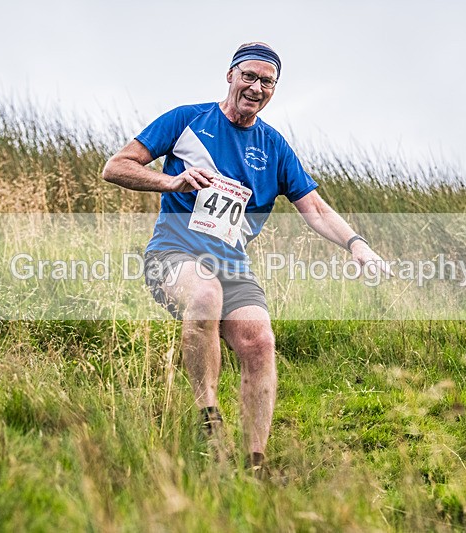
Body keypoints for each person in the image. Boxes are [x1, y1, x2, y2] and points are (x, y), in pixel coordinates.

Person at [102, 42, 387, 472]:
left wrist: (357, 244)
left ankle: (255, 462)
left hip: (232, 264)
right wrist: (171, 182)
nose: (256, 87)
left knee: (260, 341)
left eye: (266, 82)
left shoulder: (273, 146)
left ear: (274, 89)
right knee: (204, 295)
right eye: (249, 77)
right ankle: (209, 422)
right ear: (231, 76)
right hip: (174, 253)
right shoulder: (187, 120)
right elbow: (116, 167)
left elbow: (315, 208)